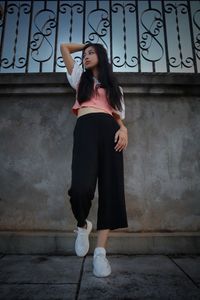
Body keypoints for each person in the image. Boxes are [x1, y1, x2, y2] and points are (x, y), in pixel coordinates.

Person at [60, 42, 128, 277]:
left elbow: (119, 115)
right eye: (85, 54)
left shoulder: (114, 86)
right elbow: (64, 48)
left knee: (111, 189)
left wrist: (124, 130)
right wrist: (86, 45)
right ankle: (82, 225)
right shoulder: (80, 78)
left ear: (102, 55)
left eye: (92, 53)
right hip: (86, 129)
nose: (86, 56)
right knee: (80, 187)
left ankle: (100, 252)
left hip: (111, 132)